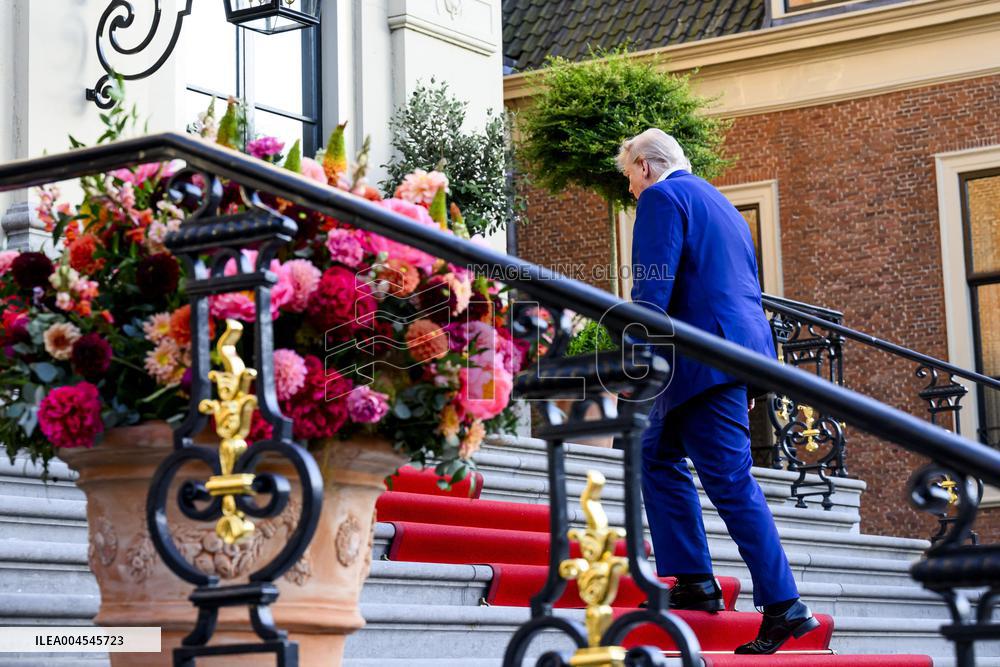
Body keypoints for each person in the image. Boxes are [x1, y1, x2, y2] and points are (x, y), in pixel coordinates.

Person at [618, 128, 819, 655]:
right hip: (729, 356)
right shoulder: (722, 202)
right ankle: (694, 581)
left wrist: (634, 362)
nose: (632, 193)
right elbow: (738, 287)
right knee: (653, 453)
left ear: (645, 166)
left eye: (629, 181)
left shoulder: (662, 196)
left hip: (698, 362)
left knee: (729, 481)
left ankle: (783, 604)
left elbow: (652, 290)